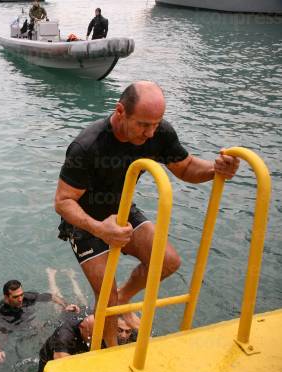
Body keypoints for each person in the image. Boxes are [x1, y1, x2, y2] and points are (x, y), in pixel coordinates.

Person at [54, 81, 240, 347]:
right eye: (143, 125)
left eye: (156, 124)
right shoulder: (86, 146)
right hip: (84, 221)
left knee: (167, 261)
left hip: (122, 207)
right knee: (107, 297)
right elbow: (63, 201)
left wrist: (216, 169)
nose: (151, 133)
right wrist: (99, 228)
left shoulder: (158, 132)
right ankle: (110, 351)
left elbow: (186, 168)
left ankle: (125, 298)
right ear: (120, 111)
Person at [0, 279, 80, 333]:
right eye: (15, 297)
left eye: (21, 294)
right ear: (6, 297)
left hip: (28, 320)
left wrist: (66, 306)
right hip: (11, 327)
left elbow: (51, 296)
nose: (20, 299)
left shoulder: (26, 297)